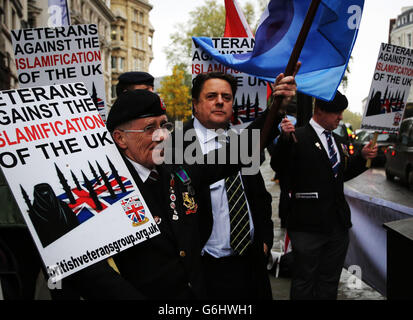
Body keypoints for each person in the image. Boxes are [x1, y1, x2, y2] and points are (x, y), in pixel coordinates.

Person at [65, 68, 297, 299]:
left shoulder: (175, 169)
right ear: (120, 138)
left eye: (164, 125)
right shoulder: (101, 192)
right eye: (149, 128)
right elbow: (89, 271)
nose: (162, 136)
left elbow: (236, 154)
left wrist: (275, 108)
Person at [182, 72, 281, 300]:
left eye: (226, 97)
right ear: (195, 105)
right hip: (206, 271)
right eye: (211, 96)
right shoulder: (176, 145)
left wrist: (265, 241)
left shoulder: (238, 141)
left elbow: (259, 197)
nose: (220, 101)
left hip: (251, 265)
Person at [271, 91, 378, 300]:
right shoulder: (297, 136)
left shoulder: (338, 142)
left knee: (329, 282)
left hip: (337, 227)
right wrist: (284, 140)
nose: (340, 117)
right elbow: (279, 165)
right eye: (336, 113)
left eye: (341, 113)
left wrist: (362, 157)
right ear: (319, 110)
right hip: (307, 227)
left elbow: (340, 175)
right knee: (304, 281)